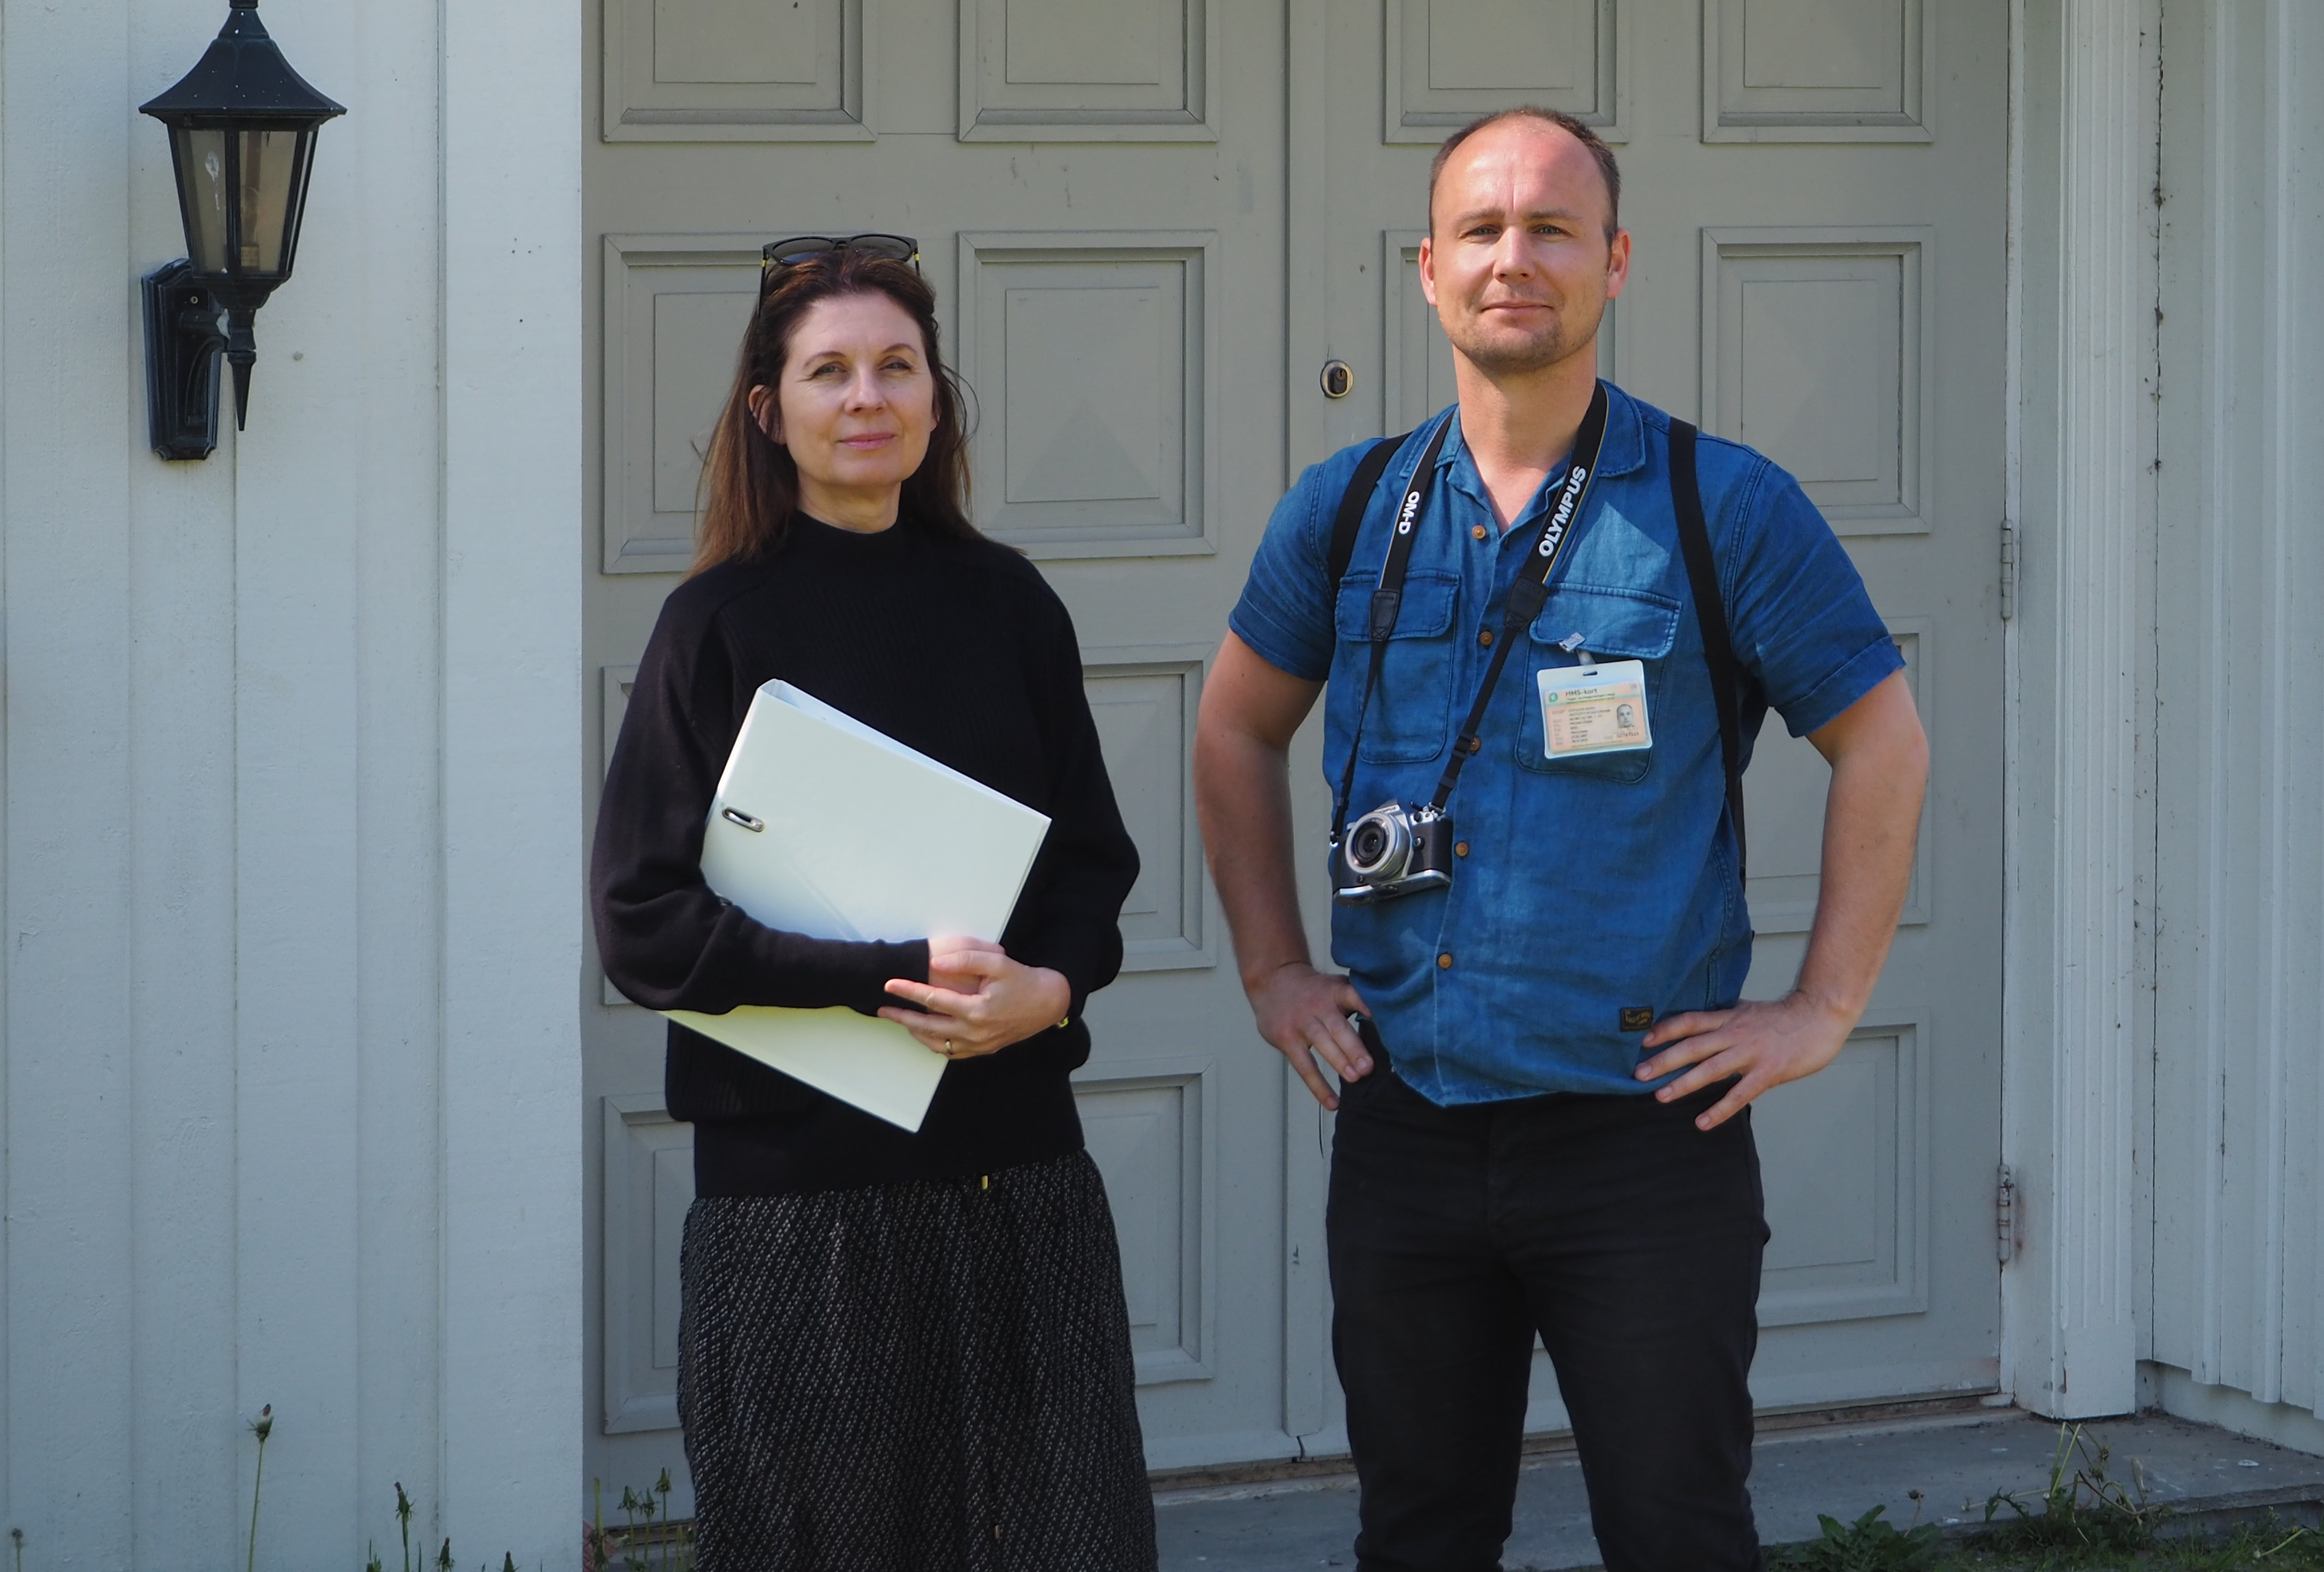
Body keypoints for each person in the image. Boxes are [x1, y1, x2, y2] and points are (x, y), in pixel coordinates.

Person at [1195, 110, 1931, 1572]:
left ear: (1617, 262)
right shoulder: (1346, 510)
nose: (1512, 259)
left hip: (1641, 1137)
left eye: (1551, 230)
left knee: (1677, 1534)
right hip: (1404, 1127)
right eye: (1481, 229)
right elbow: (1232, 730)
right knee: (1418, 1534)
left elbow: (1883, 742)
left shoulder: (1723, 507)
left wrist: (1820, 1007)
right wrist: (1274, 970)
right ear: (1427, 268)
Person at [592, 235, 1156, 1572]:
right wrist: (891, 974)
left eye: (897, 367)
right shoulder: (713, 629)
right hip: (801, 1214)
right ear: (767, 411)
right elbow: (642, 921)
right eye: (830, 371)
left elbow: (1091, 867)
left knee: (1058, 1547)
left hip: (1018, 1175)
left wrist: (1049, 991)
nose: (867, 397)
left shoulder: (1010, 604)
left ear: (937, 400)